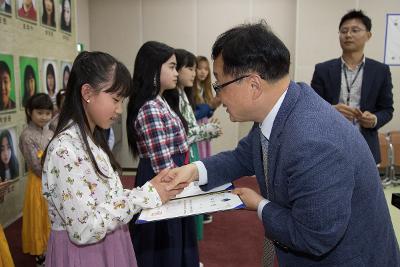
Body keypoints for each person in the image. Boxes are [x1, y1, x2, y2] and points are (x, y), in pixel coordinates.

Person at [167, 21, 400, 266]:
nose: (217, 96)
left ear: (254, 85)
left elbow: (314, 237)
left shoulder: (313, 142)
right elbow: (242, 156)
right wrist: (193, 170)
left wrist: (259, 205)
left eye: (219, 85)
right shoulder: (285, 104)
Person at [41, 51, 178, 267]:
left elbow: (105, 197)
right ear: (87, 92)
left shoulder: (91, 137)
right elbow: (84, 229)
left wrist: (148, 189)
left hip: (108, 242)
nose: (119, 109)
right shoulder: (64, 150)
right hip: (86, 255)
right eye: (115, 99)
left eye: (122, 100)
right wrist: (144, 196)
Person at [126, 41, 199, 267]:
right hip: (164, 183)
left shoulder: (161, 101)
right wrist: (184, 186)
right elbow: (163, 168)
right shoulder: (150, 107)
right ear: (154, 69)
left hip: (171, 180)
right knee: (163, 247)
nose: (176, 73)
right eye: (172, 67)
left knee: (172, 243)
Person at [311, 9, 393, 166]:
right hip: (329, 147)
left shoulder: (380, 71)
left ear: (368, 35)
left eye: (355, 30)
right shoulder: (322, 69)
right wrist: (331, 110)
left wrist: (374, 119)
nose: (348, 35)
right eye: (344, 31)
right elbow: (311, 108)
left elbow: (387, 109)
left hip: (366, 148)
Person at [173, 49, 221, 238]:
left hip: (194, 141)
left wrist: (210, 111)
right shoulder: (179, 95)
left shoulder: (186, 92)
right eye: (192, 68)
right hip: (190, 144)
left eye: (199, 69)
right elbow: (187, 126)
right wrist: (207, 126)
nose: (196, 73)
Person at [19, 93, 53, 266]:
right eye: (40, 113)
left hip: (53, 181)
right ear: (30, 112)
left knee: (51, 218)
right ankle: (42, 256)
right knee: (40, 219)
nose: (44, 117)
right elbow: (36, 165)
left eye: (47, 113)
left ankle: (52, 252)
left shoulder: (49, 131)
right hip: (39, 183)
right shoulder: (27, 135)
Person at [193, 55, 222, 224]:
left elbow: (208, 113)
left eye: (206, 69)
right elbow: (193, 115)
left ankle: (202, 206)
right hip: (196, 132)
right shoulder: (191, 89)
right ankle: (198, 208)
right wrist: (210, 106)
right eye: (199, 68)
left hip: (204, 133)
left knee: (204, 167)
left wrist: (213, 105)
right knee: (197, 166)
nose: (203, 72)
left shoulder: (205, 88)